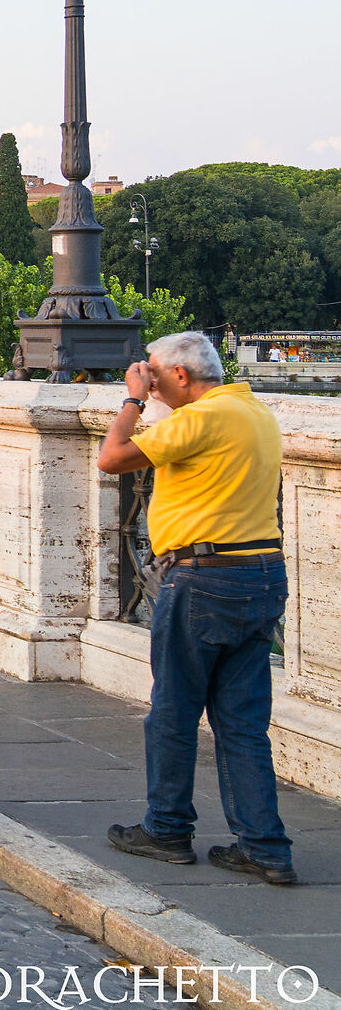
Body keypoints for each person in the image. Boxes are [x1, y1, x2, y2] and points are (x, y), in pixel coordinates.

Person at [97, 331, 294, 886]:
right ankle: (265, 847)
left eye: (155, 374)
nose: (151, 382)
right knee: (243, 721)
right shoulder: (254, 413)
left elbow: (111, 458)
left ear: (180, 375)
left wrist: (133, 400)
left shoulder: (202, 418)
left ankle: (166, 828)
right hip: (261, 572)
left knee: (175, 711)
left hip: (204, 578)